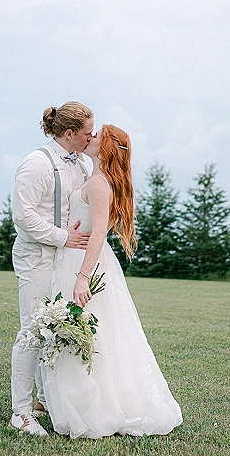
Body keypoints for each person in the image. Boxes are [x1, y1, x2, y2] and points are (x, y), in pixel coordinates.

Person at [42, 124, 183, 438]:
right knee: (97, 332)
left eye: (96, 136)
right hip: (81, 259)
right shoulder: (95, 179)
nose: (89, 138)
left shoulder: (98, 183)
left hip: (86, 263)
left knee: (93, 331)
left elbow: (99, 234)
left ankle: (98, 406)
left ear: (105, 148)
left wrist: (82, 278)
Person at [10, 101, 94, 436]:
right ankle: (21, 411)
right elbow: (23, 215)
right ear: (70, 133)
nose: (92, 137)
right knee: (32, 329)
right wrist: (63, 237)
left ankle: (45, 399)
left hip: (65, 258)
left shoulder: (82, 164)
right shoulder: (37, 164)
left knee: (54, 327)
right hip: (36, 256)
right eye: (87, 133)